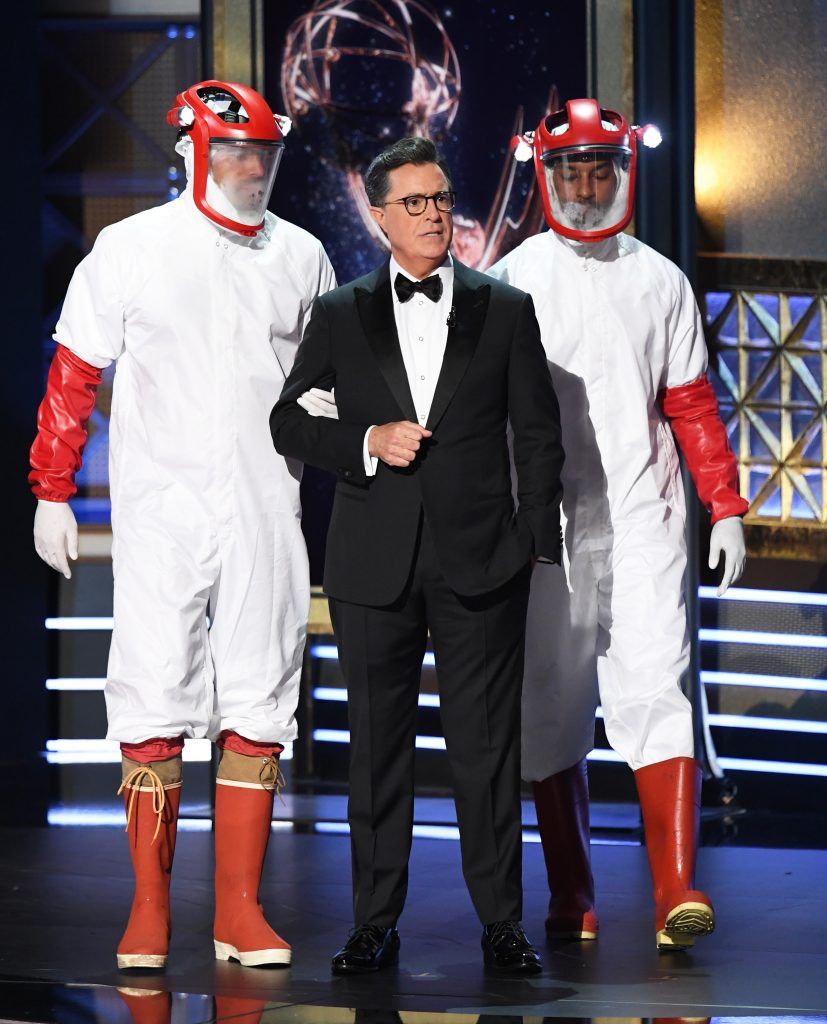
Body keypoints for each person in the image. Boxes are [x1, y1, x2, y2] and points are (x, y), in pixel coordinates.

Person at [29, 80, 336, 969]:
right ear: (193, 152)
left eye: (266, 156)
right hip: (162, 508)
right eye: (237, 152)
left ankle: (238, 910)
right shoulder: (130, 250)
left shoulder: (302, 255)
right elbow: (74, 371)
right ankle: (150, 910)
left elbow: (324, 380)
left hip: (264, 501)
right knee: (154, 685)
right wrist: (52, 486)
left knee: (260, 688)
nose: (252, 170)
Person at [271, 137, 564, 975]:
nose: (434, 214)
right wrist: (366, 439)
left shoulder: (502, 307)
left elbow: (537, 436)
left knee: (486, 750)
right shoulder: (340, 313)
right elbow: (288, 421)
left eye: (440, 198)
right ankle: (373, 922)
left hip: (483, 561)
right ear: (378, 217)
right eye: (415, 203)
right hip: (371, 563)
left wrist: (533, 546)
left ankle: (502, 925)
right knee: (376, 752)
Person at [487, 98, 748, 950]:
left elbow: (689, 404)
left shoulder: (659, 279)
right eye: (571, 169)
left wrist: (726, 504)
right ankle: (572, 893)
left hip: (643, 514)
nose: (586, 184)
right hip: (545, 526)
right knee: (550, 704)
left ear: (623, 170)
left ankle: (676, 886)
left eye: (600, 166)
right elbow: (482, 411)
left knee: (656, 689)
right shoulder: (514, 278)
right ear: (545, 175)